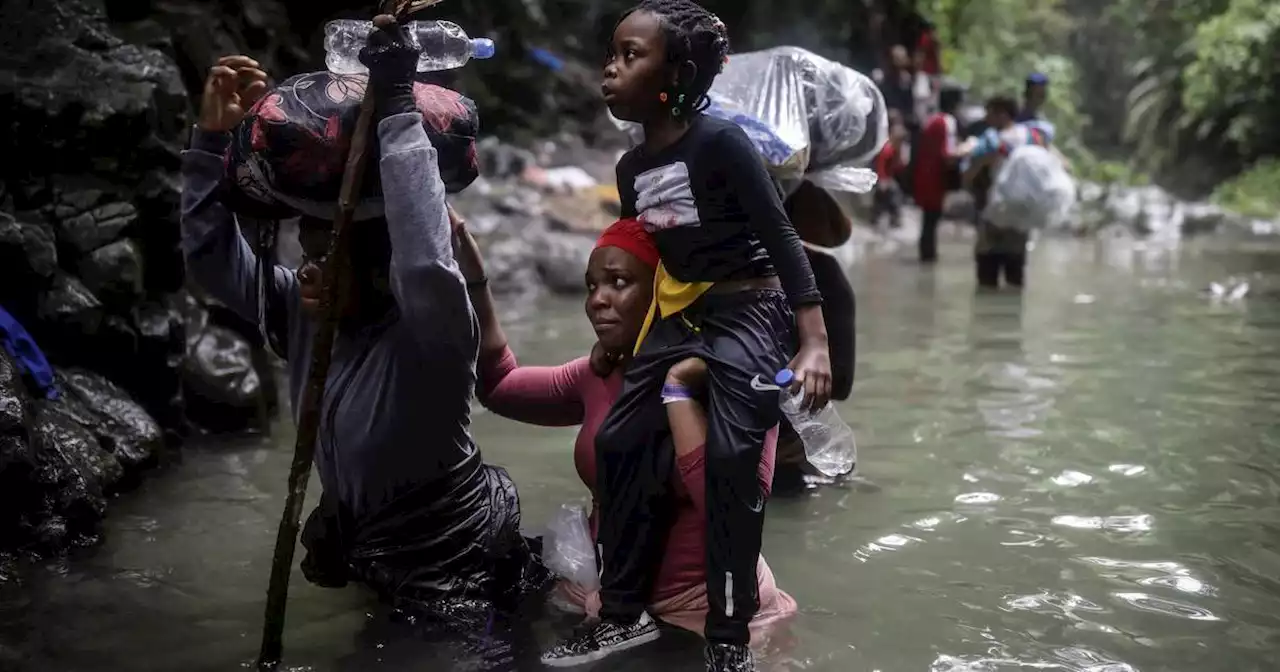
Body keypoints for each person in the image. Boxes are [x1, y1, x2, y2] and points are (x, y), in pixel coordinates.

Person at [181, 22, 535, 621]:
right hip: (374, 549)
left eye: (327, 255)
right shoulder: (303, 316)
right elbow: (213, 263)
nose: (307, 269)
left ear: (376, 267)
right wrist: (211, 145)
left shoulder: (432, 336)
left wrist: (399, 108)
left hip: (456, 558)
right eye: (305, 250)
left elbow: (425, 259)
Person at [545, 2, 834, 670]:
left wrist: (813, 338)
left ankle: (728, 639)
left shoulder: (722, 144)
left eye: (630, 55)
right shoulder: (630, 168)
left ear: (675, 73)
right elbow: (638, 257)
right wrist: (622, 339)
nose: (611, 69)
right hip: (680, 318)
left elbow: (780, 236)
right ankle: (621, 615)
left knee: (733, 460)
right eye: (613, 54)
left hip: (752, 310)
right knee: (620, 440)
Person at [452, 214, 798, 642]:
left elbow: (730, 507)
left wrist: (678, 392)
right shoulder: (597, 376)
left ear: (666, 294)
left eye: (618, 282)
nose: (597, 299)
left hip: (703, 614)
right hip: (608, 602)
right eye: (591, 286)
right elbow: (500, 387)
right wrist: (475, 282)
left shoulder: (734, 377)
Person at [963, 95, 1046, 289]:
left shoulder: (992, 139)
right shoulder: (1032, 136)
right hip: (1022, 213)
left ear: (1002, 114)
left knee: (987, 271)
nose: (987, 119)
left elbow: (970, 174)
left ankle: (986, 312)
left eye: (990, 114)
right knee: (1015, 272)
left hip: (995, 211)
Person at [911, 82, 966, 263]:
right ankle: (928, 261)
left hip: (923, 176)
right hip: (936, 180)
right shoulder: (947, 122)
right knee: (931, 223)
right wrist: (968, 149)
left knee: (928, 223)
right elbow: (947, 155)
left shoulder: (931, 119)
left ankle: (926, 260)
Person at [872, 114, 909, 229]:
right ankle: (888, 219)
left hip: (887, 178)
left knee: (891, 197)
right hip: (881, 178)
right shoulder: (887, 148)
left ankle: (890, 220)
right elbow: (881, 165)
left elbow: (899, 167)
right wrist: (883, 180)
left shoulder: (894, 149)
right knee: (892, 196)